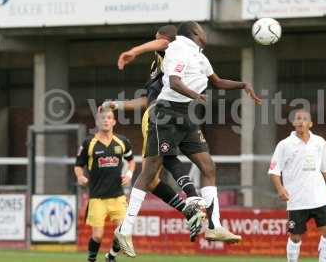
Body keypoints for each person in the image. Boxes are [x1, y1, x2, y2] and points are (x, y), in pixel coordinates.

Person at [115, 21, 262, 257]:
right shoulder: (177, 48)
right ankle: (125, 229)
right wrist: (194, 94)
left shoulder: (199, 56)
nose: (205, 33)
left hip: (186, 117)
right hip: (164, 113)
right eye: (201, 30)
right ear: (193, 33)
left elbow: (217, 82)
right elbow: (174, 81)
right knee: (150, 171)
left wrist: (243, 85)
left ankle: (214, 226)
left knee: (208, 165)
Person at [104, 25, 206, 242]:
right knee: (153, 176)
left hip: (159, 115)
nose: (156, 45)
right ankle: (191, 206)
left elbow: (164, 43)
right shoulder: (159, 67)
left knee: (150, 175)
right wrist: (117, 104)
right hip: (163, 112)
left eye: (156, 40)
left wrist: (134, 50)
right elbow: (146, 99)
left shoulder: (170, 51)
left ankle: (192, 201)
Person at [268, 109, 326, 262]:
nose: (300, 121)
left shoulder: (319, 142)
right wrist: (280, 188)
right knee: (295, 237)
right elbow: (273, 171)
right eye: (297, 118)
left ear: (310, 124)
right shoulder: (284, 145)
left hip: (319, 198)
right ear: (294, 123)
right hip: (296, 200)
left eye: (304, 119)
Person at [74, 107, 136, 262]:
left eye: (109, 118)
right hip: (97, 197)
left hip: (117, 196)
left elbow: (131, 161)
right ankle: (92, 259)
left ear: (114, 121)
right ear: (97, 121)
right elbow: (78, 165)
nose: (106, 120)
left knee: (123, 232)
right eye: (103, 118)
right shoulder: (89, 143)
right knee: (97, 235)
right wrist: (80, 176)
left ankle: (111, 257)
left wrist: (129, 173)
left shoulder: (122, 141)